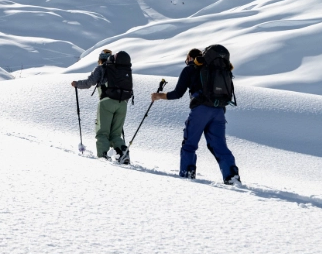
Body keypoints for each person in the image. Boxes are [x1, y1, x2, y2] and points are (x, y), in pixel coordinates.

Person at [151, 48, 240, 185]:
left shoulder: (190, 69)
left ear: (191, 58)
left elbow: (177, 93)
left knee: (189, 144)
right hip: (219, 111)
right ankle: (232, 176)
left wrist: (159, 96)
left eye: (186, 58)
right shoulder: (216, 68)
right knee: (220, 146)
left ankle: (188, 174)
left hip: (200, 110)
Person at [72, 49, 130, 163]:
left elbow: (89, 83)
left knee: (102, 132)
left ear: (100, 59)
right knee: (116, 134)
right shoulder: (121, 71)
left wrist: (76, 84)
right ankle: (123, 153)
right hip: (122, 104)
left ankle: (103, 158)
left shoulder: (101, 68)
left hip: (106, 102)